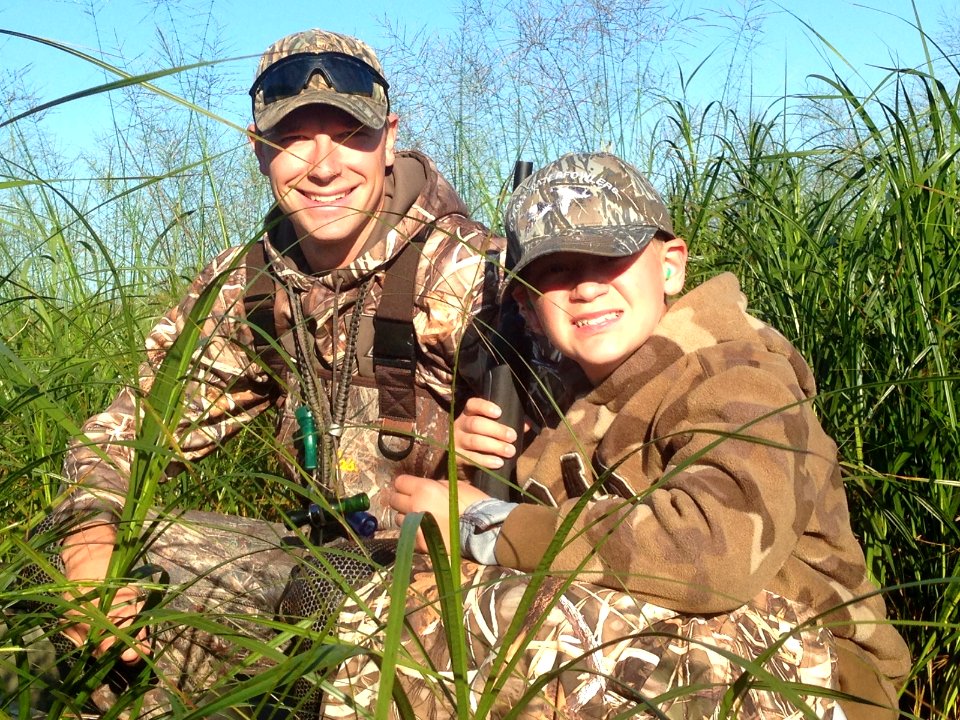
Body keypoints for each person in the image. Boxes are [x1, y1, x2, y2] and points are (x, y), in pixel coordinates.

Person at [44, 28, 502, 715]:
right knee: (56, 589)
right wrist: (90, 551)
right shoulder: (251, 284)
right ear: (259, 149)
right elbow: (126, 436)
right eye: (293, 138)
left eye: (349, 133)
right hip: (319, 568)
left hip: (453, 576)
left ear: (388, 139)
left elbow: (589, 456)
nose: (322, 166)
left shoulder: (475, 273)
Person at [379, 152, 912, 719]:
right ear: (528, 311)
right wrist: (462, 470)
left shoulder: (738, 374)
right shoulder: (564, 402)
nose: (584, 286)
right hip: (710, 643)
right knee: (418, 608)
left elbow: (712, 551)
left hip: (824, 673)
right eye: (554, 271)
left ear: (671, 266)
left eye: (610, 254)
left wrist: (483, 522)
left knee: (536, 623)